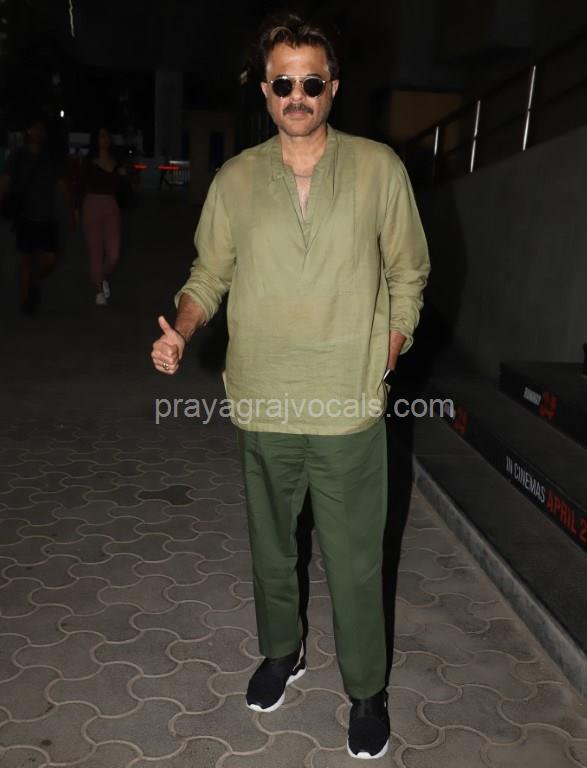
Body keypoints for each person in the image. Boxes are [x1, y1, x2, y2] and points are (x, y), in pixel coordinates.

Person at [151, 13, 430, 760]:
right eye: (283, 83)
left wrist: (391, 343)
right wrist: (183, 328)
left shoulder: (378, 169)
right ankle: (283, 652)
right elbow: (208, 275)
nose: (297, 95)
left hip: (348, 405)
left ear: (333, 88)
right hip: (264, 399)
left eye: (311, 82)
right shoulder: (237, 179)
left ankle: (366, 690)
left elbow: (409, 270)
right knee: (273, 547)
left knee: (355, 559)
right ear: (265, 92)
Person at [0, 116, 68, 313]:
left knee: (50, 258)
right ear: (28, 131)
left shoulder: (49, 158)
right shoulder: (18, 155)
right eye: (35, 128)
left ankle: (34, 280)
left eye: (42, 129)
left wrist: (71, 210)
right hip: (25, 215)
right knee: (26, 259)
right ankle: (25, 300)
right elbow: (6, 180)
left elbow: (61, 184)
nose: (39, 132)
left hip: (47, 216)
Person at [78, 127, 127, 306]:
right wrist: (75, 210)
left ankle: (100, 277)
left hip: (111, 205)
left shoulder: (116, 162)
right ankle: (98, 290)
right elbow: (80, 186)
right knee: (95, 250)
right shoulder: (88, 162)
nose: (105, 139)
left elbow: (123, 187)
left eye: (107, 135)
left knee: (114, 254)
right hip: (92, 204)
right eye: (101, 136)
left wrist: (123, 175)